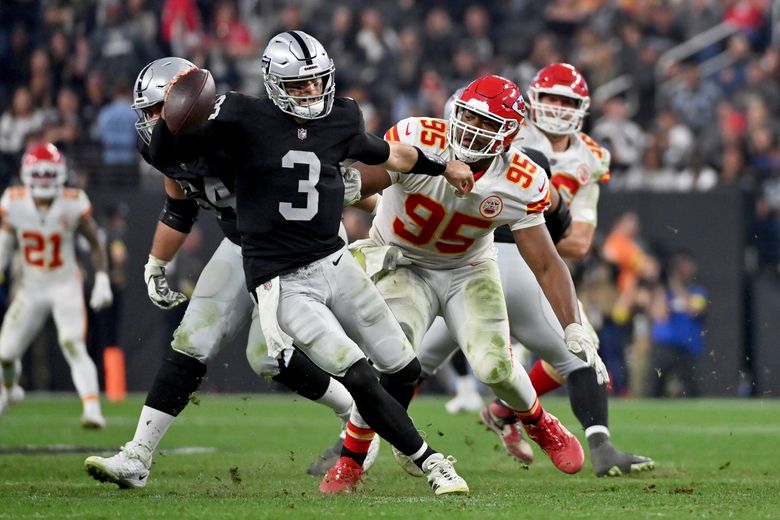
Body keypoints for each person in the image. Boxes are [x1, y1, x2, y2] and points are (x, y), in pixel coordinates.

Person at [147, 33, 473, 496]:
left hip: (334, 260)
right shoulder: (240, 114)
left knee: (402, 369)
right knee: (357, 373)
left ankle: (375, 446)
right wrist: (176, 110)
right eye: (300, 86)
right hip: (282, 279)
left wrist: (443, 165)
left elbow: (388, 152)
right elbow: (167, 155)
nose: (312, 93)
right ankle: (431, 461)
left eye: (318, 83)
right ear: (275, 84)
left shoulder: (340, 116)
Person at [83, 56, 378, 489]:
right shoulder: (161, 147)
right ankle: (137, 456)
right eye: (147, 113)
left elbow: (314, 159)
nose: (153, 122)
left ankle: (357, 416)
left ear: (188, 104)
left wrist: (358, 197)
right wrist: (156, 262)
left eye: (159, 110)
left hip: (293, 247)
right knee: (192, 338)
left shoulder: (232, 129)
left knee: (265, 357)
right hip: (243, 243)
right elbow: (178, 204)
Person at [350, 74, 605, 478]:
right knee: (392, 357)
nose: (474, 128)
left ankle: (539, 422)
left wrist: (572, 324)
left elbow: (545, 260)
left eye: (488, 124)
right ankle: (351, 459)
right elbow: (360, 183)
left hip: (465, 270)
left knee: (495, 367)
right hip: (403, 262)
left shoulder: (520, 178)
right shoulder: (420, 137)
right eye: (469, 116)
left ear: (509, 135)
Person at [420, 64, 654, 477]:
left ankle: (574, 435)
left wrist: (532, 226)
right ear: (530, 102)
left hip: (526, 257)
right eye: (552, 99)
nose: (559, 109)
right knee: (409, 358)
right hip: (469, 255)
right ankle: (351, 445)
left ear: (582, 109)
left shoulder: (590, 157)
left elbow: (578, 243)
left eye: (568, 102)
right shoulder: (506, 131)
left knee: (580, 348)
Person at [0, 143, 113, 426]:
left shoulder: (73, 201)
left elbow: (95, 241)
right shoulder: (13, 202)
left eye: (48, 173)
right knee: (5, 354)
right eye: (38, 174)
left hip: (65, 284)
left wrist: (101, 277)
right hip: (31, 287)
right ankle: (11, 389)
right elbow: (4, 244)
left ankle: (92, 409)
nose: (44, 180)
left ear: (60, 173)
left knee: (72, 343)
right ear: (27, 175)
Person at [646, 251, 707, 398]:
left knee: (691, 385)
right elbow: (658, 315)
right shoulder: (663, 292)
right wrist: (662, 289)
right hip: (665, 345)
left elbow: (695, 308)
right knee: (656, 385)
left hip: (688, 346)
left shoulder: (698, 292)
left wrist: (676, 286)